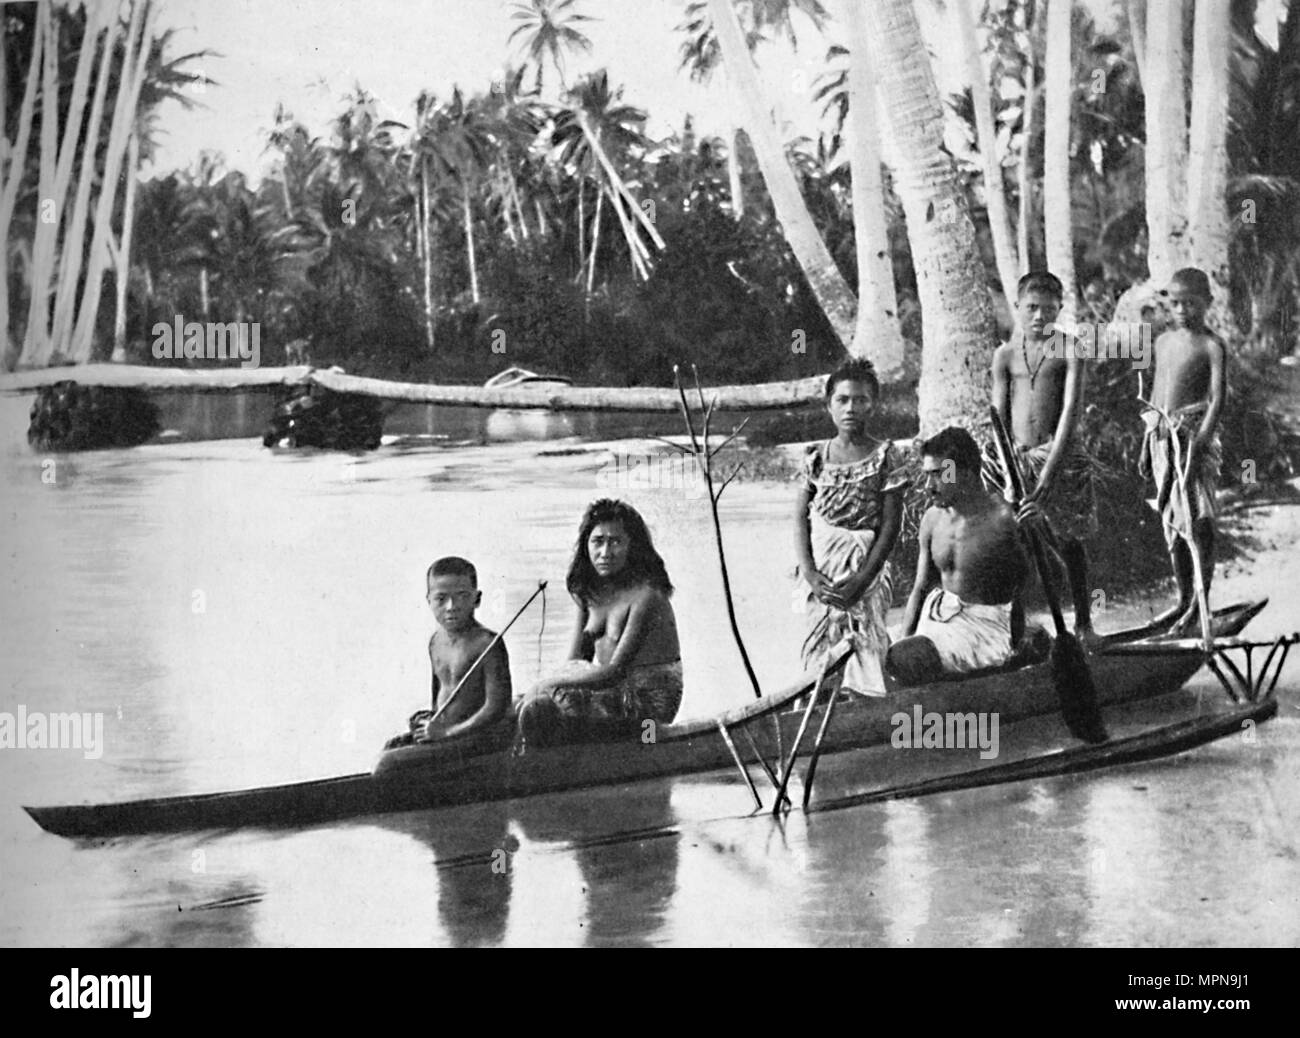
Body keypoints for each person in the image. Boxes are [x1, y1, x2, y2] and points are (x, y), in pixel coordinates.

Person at [517, 499, 683, 747]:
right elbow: (575, 663)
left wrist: (546, 686)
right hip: (612, 694)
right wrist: (539, 691)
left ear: (632, 547)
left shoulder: (647, 596)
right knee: (519, 704)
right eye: (598, 541)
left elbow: (614, 672)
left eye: (616, 542)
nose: (605, 553)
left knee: (541, 706)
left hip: (649, 715)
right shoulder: (589, 593)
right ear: (586, 546)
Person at [987, 270, 1097, 643]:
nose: (1039, 317)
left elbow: (1070, 413)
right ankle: (1013, 632)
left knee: (1068, 539)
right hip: (1016, 463)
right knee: (1016, 543)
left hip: (1061, 459)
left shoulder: (1070, 350)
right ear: (1017, 307)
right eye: (1031, 308)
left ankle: (1083, 623)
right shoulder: (1004, 356)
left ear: (1059, 310)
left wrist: (1050, 472)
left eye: (1048, 310)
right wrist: (1008, 470)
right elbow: (998, 418)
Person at [794, 359, 908, 696]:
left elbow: (890, 526)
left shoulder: (885, 456)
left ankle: (866, 712)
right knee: (820, 650)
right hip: (824, 569)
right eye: (842, 400)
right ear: (828, 406)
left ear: (873, 404)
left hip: (865, 570)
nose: (851, 408)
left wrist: (861, 579)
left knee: (865, 643)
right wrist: (812, 575)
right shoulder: (815, 456)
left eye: (861, 400)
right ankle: (819, 709)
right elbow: (800, 517)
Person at [889, 428, 1034, 683]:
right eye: (927, 476)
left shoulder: (1004, 519)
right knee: (882, 653)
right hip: (939, 619)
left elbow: (1036, 585)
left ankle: (999, 669)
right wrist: (904, 638)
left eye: (937, 476)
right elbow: (920, 589)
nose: (928, 487)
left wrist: (1035, 530)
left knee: (904, 658)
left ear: (966, 473)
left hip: (983, 630)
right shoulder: (932, 519)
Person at [1139, 267, 1226, 632]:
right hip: (1163, 440)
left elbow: (1217, 399)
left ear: (1207, 303)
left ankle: (1201, 602)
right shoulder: (1161, 343)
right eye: (1175, 303)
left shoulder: (1211, 345)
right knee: (1173, 520)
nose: (1182, 310)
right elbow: (1156, 400)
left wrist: (1198, 445)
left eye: (1191, 303)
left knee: (1199, 519)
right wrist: (1147, 445)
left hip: (1193, 439)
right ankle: (1183, 598)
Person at [384, 557, 512, 749]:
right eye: (441, 599)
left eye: (461, 596)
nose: (451, 606)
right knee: (392, 746)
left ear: (476, 599)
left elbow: (495, 709)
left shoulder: (487, 644)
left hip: (476, 738)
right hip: (444, 734)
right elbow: (439, 693)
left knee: (390, 764)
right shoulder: (435, 643)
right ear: (429, 601)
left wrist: (447, 733)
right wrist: (431, 720)